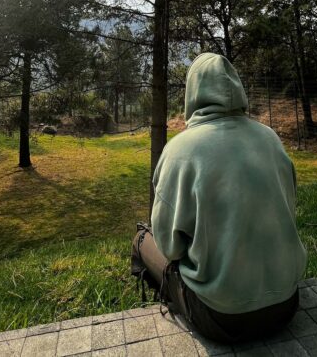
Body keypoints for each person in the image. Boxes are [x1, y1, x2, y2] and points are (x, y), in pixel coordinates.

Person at [131, 52, 307, 344]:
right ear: (237, 88)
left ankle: (162, 298)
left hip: (221, 319)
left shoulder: (179, 150)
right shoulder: (271, 138)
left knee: (141, 240)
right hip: (287, 303)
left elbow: (170, 247)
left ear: (192, 93)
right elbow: (289, 205)